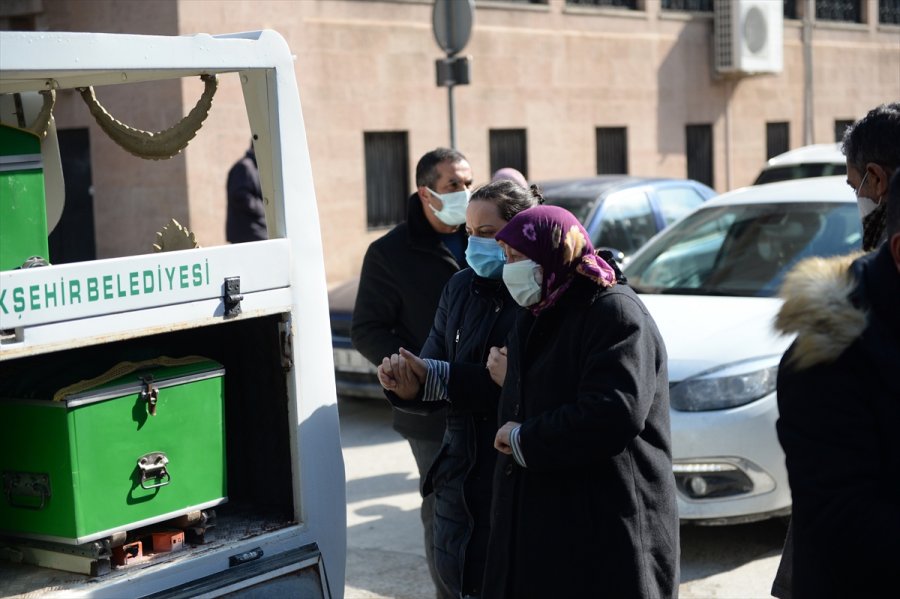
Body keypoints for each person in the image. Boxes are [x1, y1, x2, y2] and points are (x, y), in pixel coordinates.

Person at [481, 205, 679, 598]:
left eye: (518, 258)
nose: (509, 269)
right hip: (549, 517)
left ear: (555, 251)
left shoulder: (614, 311)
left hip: (608, 519)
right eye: (506, 258)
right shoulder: (536, 311)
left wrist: (526, 439)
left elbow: (614, 412)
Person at [376, 180, 539, 599]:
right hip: (457, 477)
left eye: (487, 233)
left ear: (520, 232)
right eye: (469, 232)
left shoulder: (539, 294)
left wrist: (445, 377)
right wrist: (409, 385)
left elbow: (524, 387)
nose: (475, 243)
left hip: (516, 474)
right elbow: (434, 366)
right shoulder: (461, 287)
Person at [770, 101, 900, 599]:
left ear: (875, 180)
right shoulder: (837, 332)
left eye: (854, 188)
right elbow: (838, 509)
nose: (858, 200)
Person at [351, 147, 473, 599]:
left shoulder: (483, 237)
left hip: (486, 393)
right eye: (453, 185)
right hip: (428, 410)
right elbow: (367, 328)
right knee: (444, 508)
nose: (464, 192)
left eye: (468, 182)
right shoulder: (389, 253)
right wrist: (412, 370)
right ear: (426, 193)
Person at [226, 142, 267, 242]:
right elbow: (240, 197)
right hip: (249, 233)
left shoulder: (256, 167)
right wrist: (265, 208)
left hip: (256, 232)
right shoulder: (244, 167)